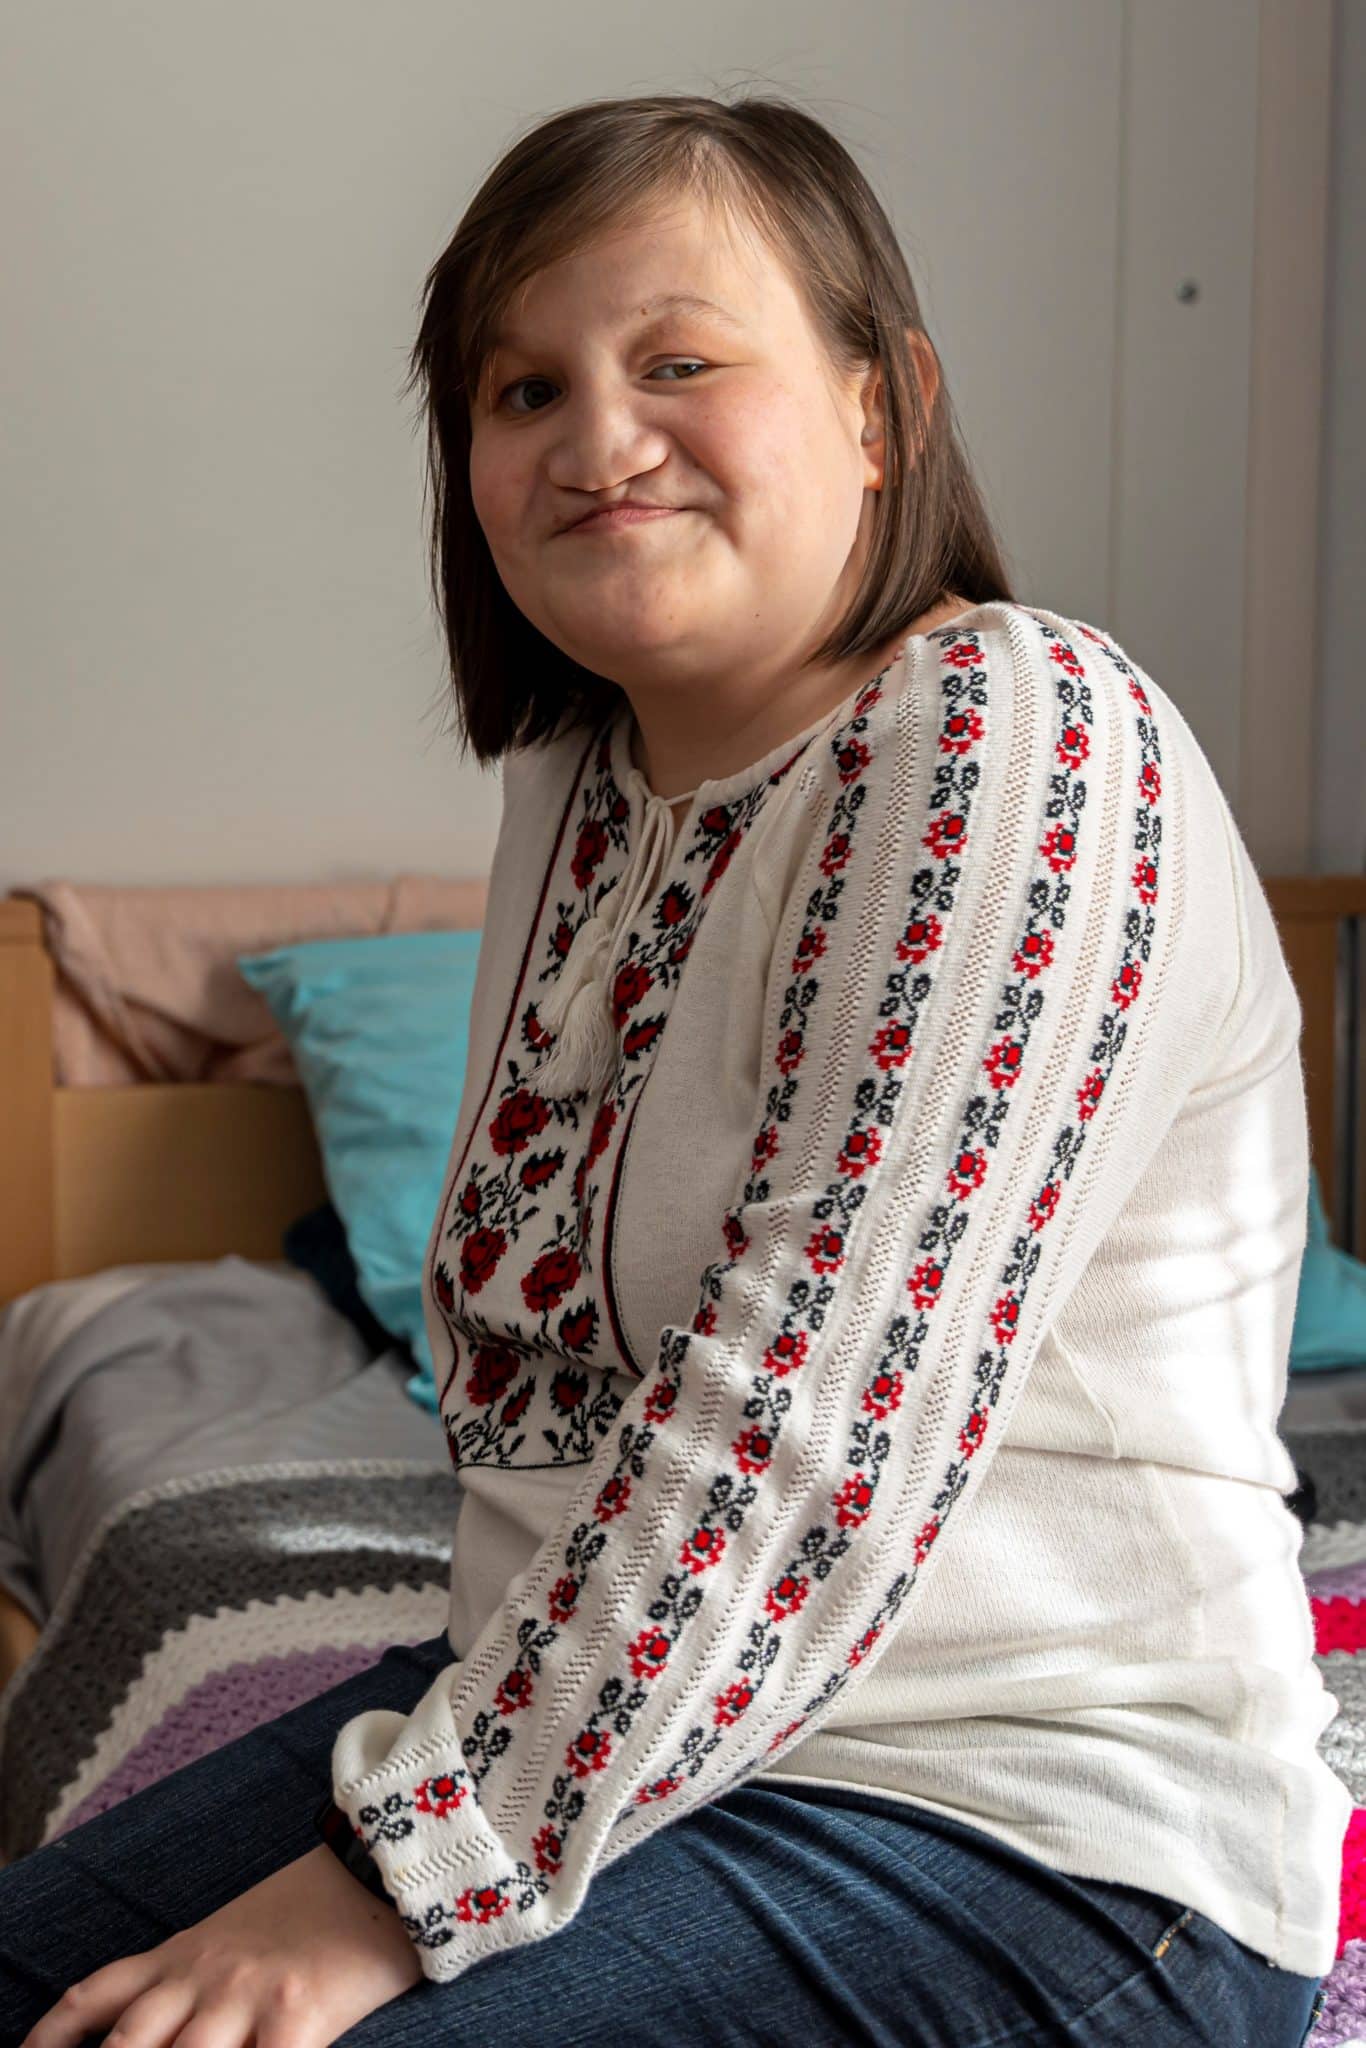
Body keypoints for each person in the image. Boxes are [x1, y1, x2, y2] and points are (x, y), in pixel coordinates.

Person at [1, 89, 1344, 2048]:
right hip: (618, 1746)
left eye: (678, 361)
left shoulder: (1016, 733)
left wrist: (397, 1882)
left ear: (880, 406)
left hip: (1033, 1830)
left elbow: (807, 1435)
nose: (595, 437)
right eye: (521, 388)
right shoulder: (574, 794)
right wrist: (447, 1790)